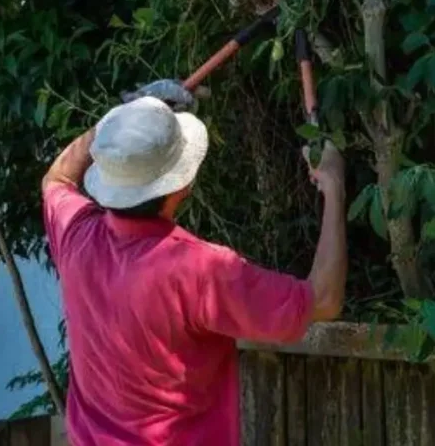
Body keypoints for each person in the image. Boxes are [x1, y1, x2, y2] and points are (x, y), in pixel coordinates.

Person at [41, 79, 348, 446]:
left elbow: (56, 178)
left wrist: (120, 123)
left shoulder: (77, 238)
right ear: (182, 185)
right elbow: (325, 299)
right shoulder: (200, 271)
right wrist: (335, 185)